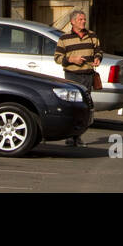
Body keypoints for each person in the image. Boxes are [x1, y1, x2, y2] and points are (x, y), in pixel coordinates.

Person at [54, 9, 101, 146]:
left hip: (87, 75)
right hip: (72, 76)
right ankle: (69, 135)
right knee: (72, 107)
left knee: (84, 107)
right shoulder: (64, 38)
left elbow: (98, 50)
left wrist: (98, 58)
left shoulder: (92, 36)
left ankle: (78, 136)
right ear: (72, 22)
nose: (83, 21)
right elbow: (57, 58)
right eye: (80, 19)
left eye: (84, 19)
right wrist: (71, 59)